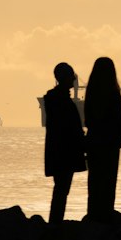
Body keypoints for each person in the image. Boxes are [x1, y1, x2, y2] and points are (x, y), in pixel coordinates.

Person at [83, 55, 121, 222]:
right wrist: (120, 138)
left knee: (94, 181)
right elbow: (119, 119)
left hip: (94, 142)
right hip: (110, 144)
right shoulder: (114, 94)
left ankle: (93, 213)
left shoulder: (91, 93)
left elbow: (87, 120)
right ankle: (106, 212)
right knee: (109, 180)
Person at [43, 61, 86, 228]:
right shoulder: (64, 103)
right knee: (62, 190)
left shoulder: (53, 100)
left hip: (57, 152)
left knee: (60, 189)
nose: (74, 79)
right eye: (72, 76)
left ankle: (55, 223)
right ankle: (55, 223)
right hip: (65, 153)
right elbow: (71, 130)